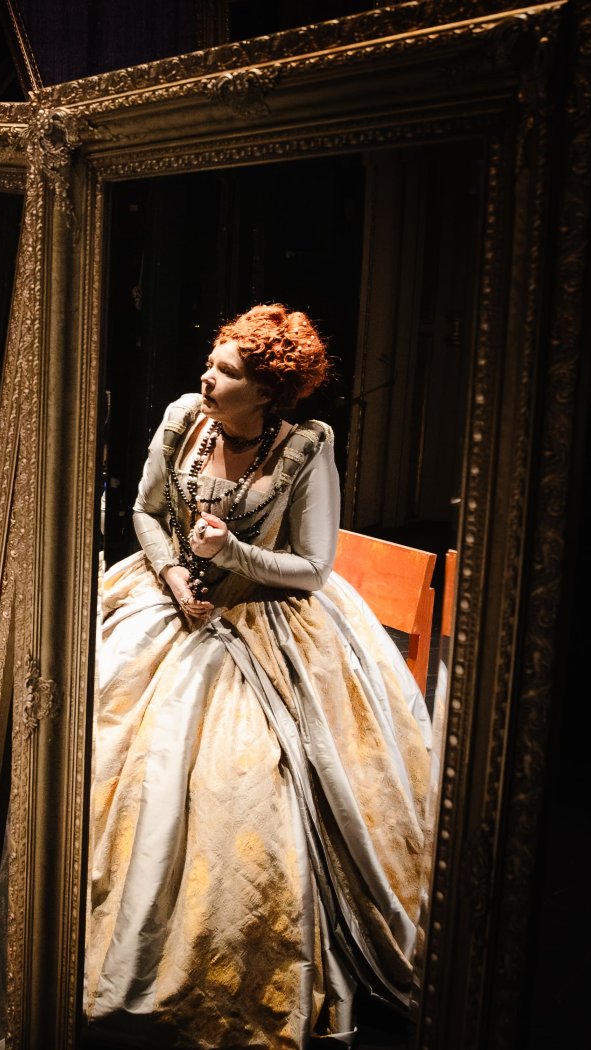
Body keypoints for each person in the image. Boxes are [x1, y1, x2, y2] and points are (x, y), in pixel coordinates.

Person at [86, 304, 434, 1048]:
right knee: (95, 708)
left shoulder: (306, 448)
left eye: (227, 372)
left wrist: (232, 553)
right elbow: (146, 511)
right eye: (211, 363)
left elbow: (313, 569)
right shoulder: (185, 419)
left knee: (236, 768)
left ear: (267, 392)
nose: (207, 378)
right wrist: (174, 573)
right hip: (167, 595)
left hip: (265, 616)